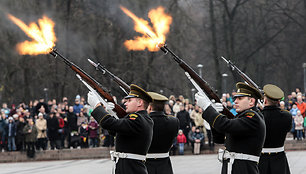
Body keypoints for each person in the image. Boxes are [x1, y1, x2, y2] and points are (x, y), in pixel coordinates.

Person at [195, 82, 265, 174]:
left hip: (244, 169)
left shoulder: (252, 118)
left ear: (251, 101)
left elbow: (225, 125)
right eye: (236, 98)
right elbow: (219, 138)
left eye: (240, 98)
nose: (235, 101)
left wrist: (208, 108)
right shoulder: (241, 117)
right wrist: (217, 113)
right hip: (234, 167)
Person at [88, 84, 153, 174]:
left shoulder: (137, 119)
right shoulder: (143, 119)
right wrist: (108, 112)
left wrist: (97, 106)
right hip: (129, 167)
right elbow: (114, 130)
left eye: (129, 100)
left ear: (140, 103)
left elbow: (110, 123)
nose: (125, 103)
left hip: (131, 169)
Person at [258, 84, 292, 174]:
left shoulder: (258, 116)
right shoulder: (287, 116)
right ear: (278, 101)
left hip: (261, 159)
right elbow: (288, 128)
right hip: (279, 158)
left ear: (264, 100)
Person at [145, 92, 179, 174]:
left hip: (146, 164)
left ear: (149, 107)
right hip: (165, 164)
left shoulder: (143, 121)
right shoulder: (174, 121)